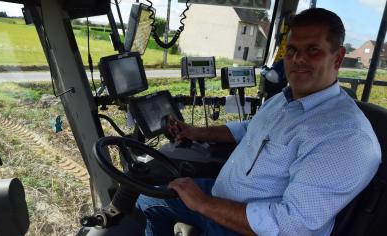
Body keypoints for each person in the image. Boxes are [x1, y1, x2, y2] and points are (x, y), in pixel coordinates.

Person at [136, 8, 381, 236]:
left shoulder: (345, 135)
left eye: (313, 50)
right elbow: (248, 129)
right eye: (292, 50)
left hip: (247, 227)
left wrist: (203, 204)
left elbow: (292, 226)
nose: (298, 59)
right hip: (221, 198)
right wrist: (197, 132)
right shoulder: (283, 100)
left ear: (337, 58)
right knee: (148, 198)